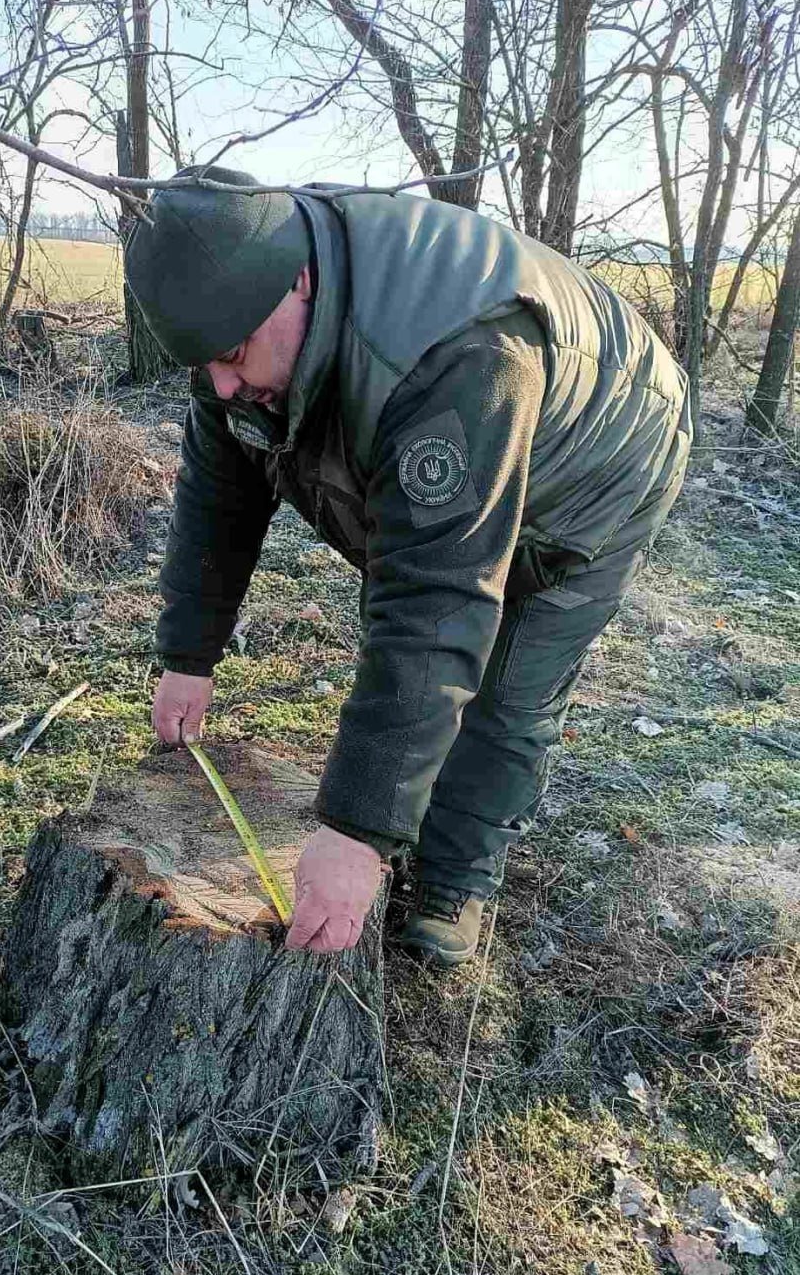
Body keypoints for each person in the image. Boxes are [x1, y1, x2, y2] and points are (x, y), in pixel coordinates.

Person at [125, 167, 692, 966]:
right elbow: (218, 498)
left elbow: (436, 599)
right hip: (465, 426)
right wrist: (188, 654)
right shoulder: (241, 311)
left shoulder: (455, 356)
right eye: (202, 366)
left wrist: (356, 828)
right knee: (417, 616)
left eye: (232, 355)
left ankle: (453, 880)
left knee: (508, 680)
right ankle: (404, 803)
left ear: (300, 281)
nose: (221, 384)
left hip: (605, 455)